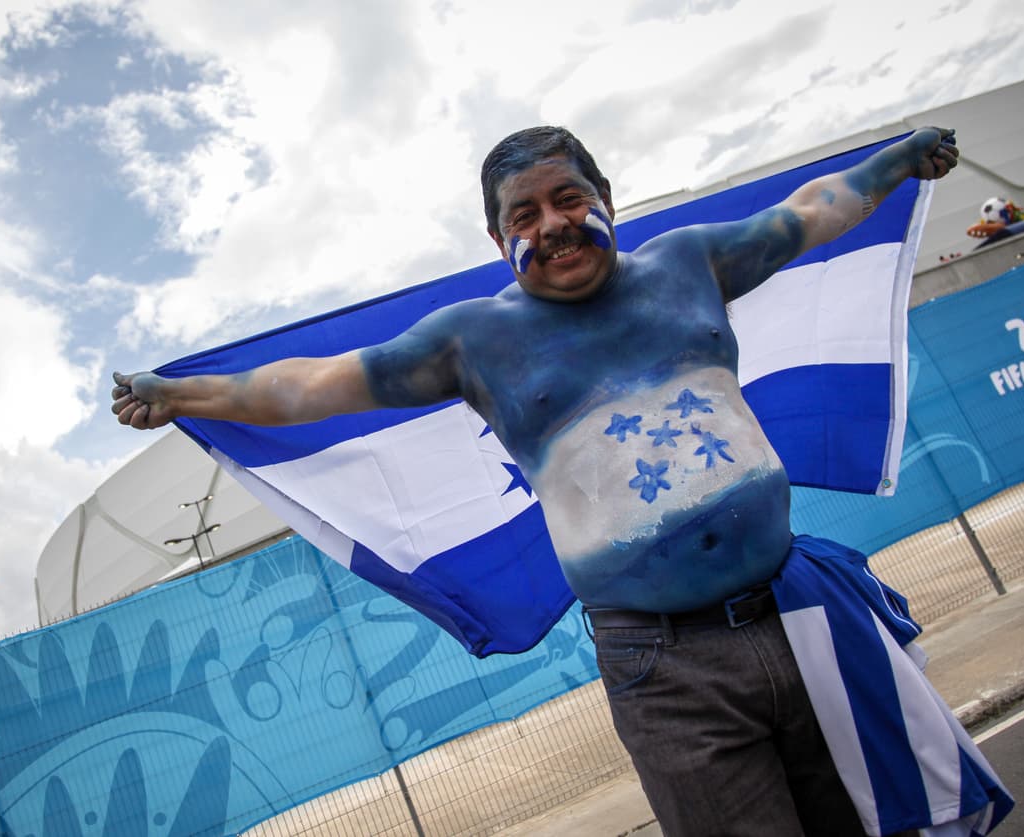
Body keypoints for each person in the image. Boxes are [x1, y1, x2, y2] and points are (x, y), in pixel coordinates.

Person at [112, 125, 960, 836]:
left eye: (569, 199)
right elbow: (307, 386)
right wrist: (180, 394)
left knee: (873, 822)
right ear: (498, 239)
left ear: (605, 198)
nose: (553, 225)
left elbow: (805, 214)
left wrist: (895, 161)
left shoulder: (690, 262)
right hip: (666, 669)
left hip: (801, 612)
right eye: (525, 215)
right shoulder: (471, 341)